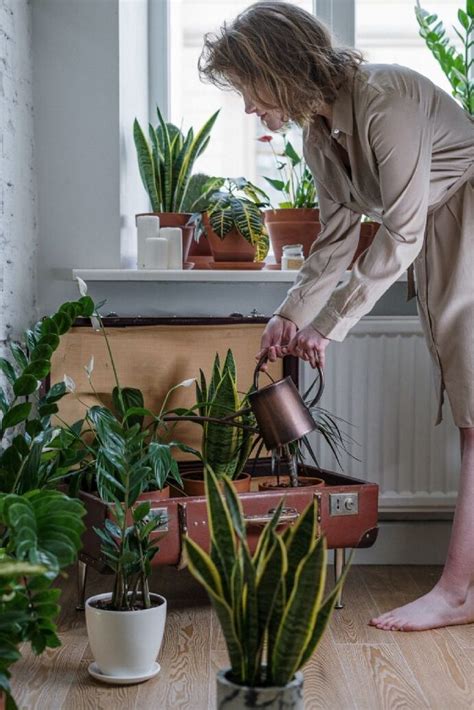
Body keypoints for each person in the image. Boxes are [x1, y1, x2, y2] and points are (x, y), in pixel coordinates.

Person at [199, 1, 474, 631]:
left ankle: (458, 591)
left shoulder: (383, 102)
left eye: (248, 87)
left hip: (466, 220)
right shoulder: (319, 133)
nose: (247, 107)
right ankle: (463, 588)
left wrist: (330, 326)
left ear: (281, 66)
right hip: (441, 233)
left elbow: (400, 231)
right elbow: (335, 238)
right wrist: (288, 317)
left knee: (473, 416)